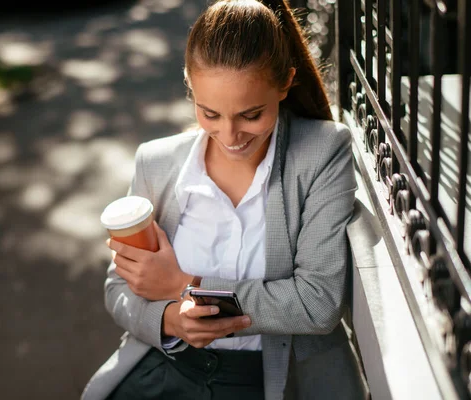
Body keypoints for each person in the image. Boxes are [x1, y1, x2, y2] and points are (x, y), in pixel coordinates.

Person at [82, 0, 367, 399]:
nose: (230, 136)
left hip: (272, 383)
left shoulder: (322, 152)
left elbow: (317, 302)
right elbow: (119, 288)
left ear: (285, 83)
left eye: (251, 115)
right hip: (168, 369)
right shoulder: (157, 162)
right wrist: (169, 320)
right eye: (209, 113)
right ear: (190, 86)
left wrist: (187, 286)